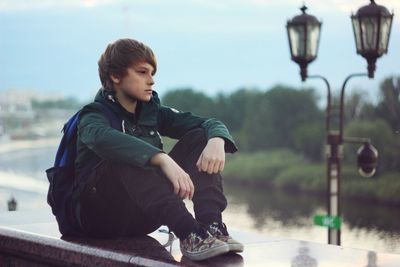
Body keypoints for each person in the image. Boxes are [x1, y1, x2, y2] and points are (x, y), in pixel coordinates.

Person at [70, 38, 244, 261]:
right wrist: (161, 158)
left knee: (201, 137)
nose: (151, 81)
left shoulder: (152, 112)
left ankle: (212, 227)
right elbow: (103, 140)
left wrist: (217, 139)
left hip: (146, 213)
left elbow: (206, 124)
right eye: (142, 72)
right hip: (99, 218)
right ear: (115, 76)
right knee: (126, 155)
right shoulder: (93, 115)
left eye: (152, 73)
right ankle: (189, 233)